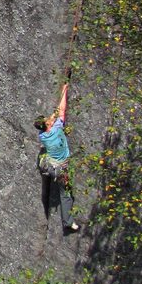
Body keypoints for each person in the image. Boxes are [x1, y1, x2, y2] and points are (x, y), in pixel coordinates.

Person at [34, 83, 79, 234]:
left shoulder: (43, 136)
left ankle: (42, 167)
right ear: (48, 124)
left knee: (44, 153)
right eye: (47, 120)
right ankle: (68, 222)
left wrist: (51, 117)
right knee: (66, 195)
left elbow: (54, 116)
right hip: (61, 169)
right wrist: (65, 89)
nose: (50, 118)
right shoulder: (57, 128)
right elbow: (61, 110)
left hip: (51, 167)